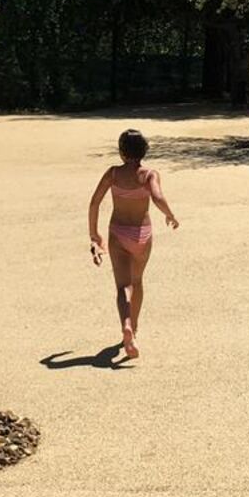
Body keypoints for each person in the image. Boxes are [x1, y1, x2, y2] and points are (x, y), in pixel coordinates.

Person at [87, 129, 178, 360]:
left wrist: (94, 235)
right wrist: (170, 215)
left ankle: (126, 324)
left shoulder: (114, 174)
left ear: (121, 152)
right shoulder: (149, 175)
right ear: (145, 150)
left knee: (121, 287)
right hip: (142, 234)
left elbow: (94, 203)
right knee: (136, 282)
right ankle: (134, 329)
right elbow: (157, 197)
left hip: (118, 232)